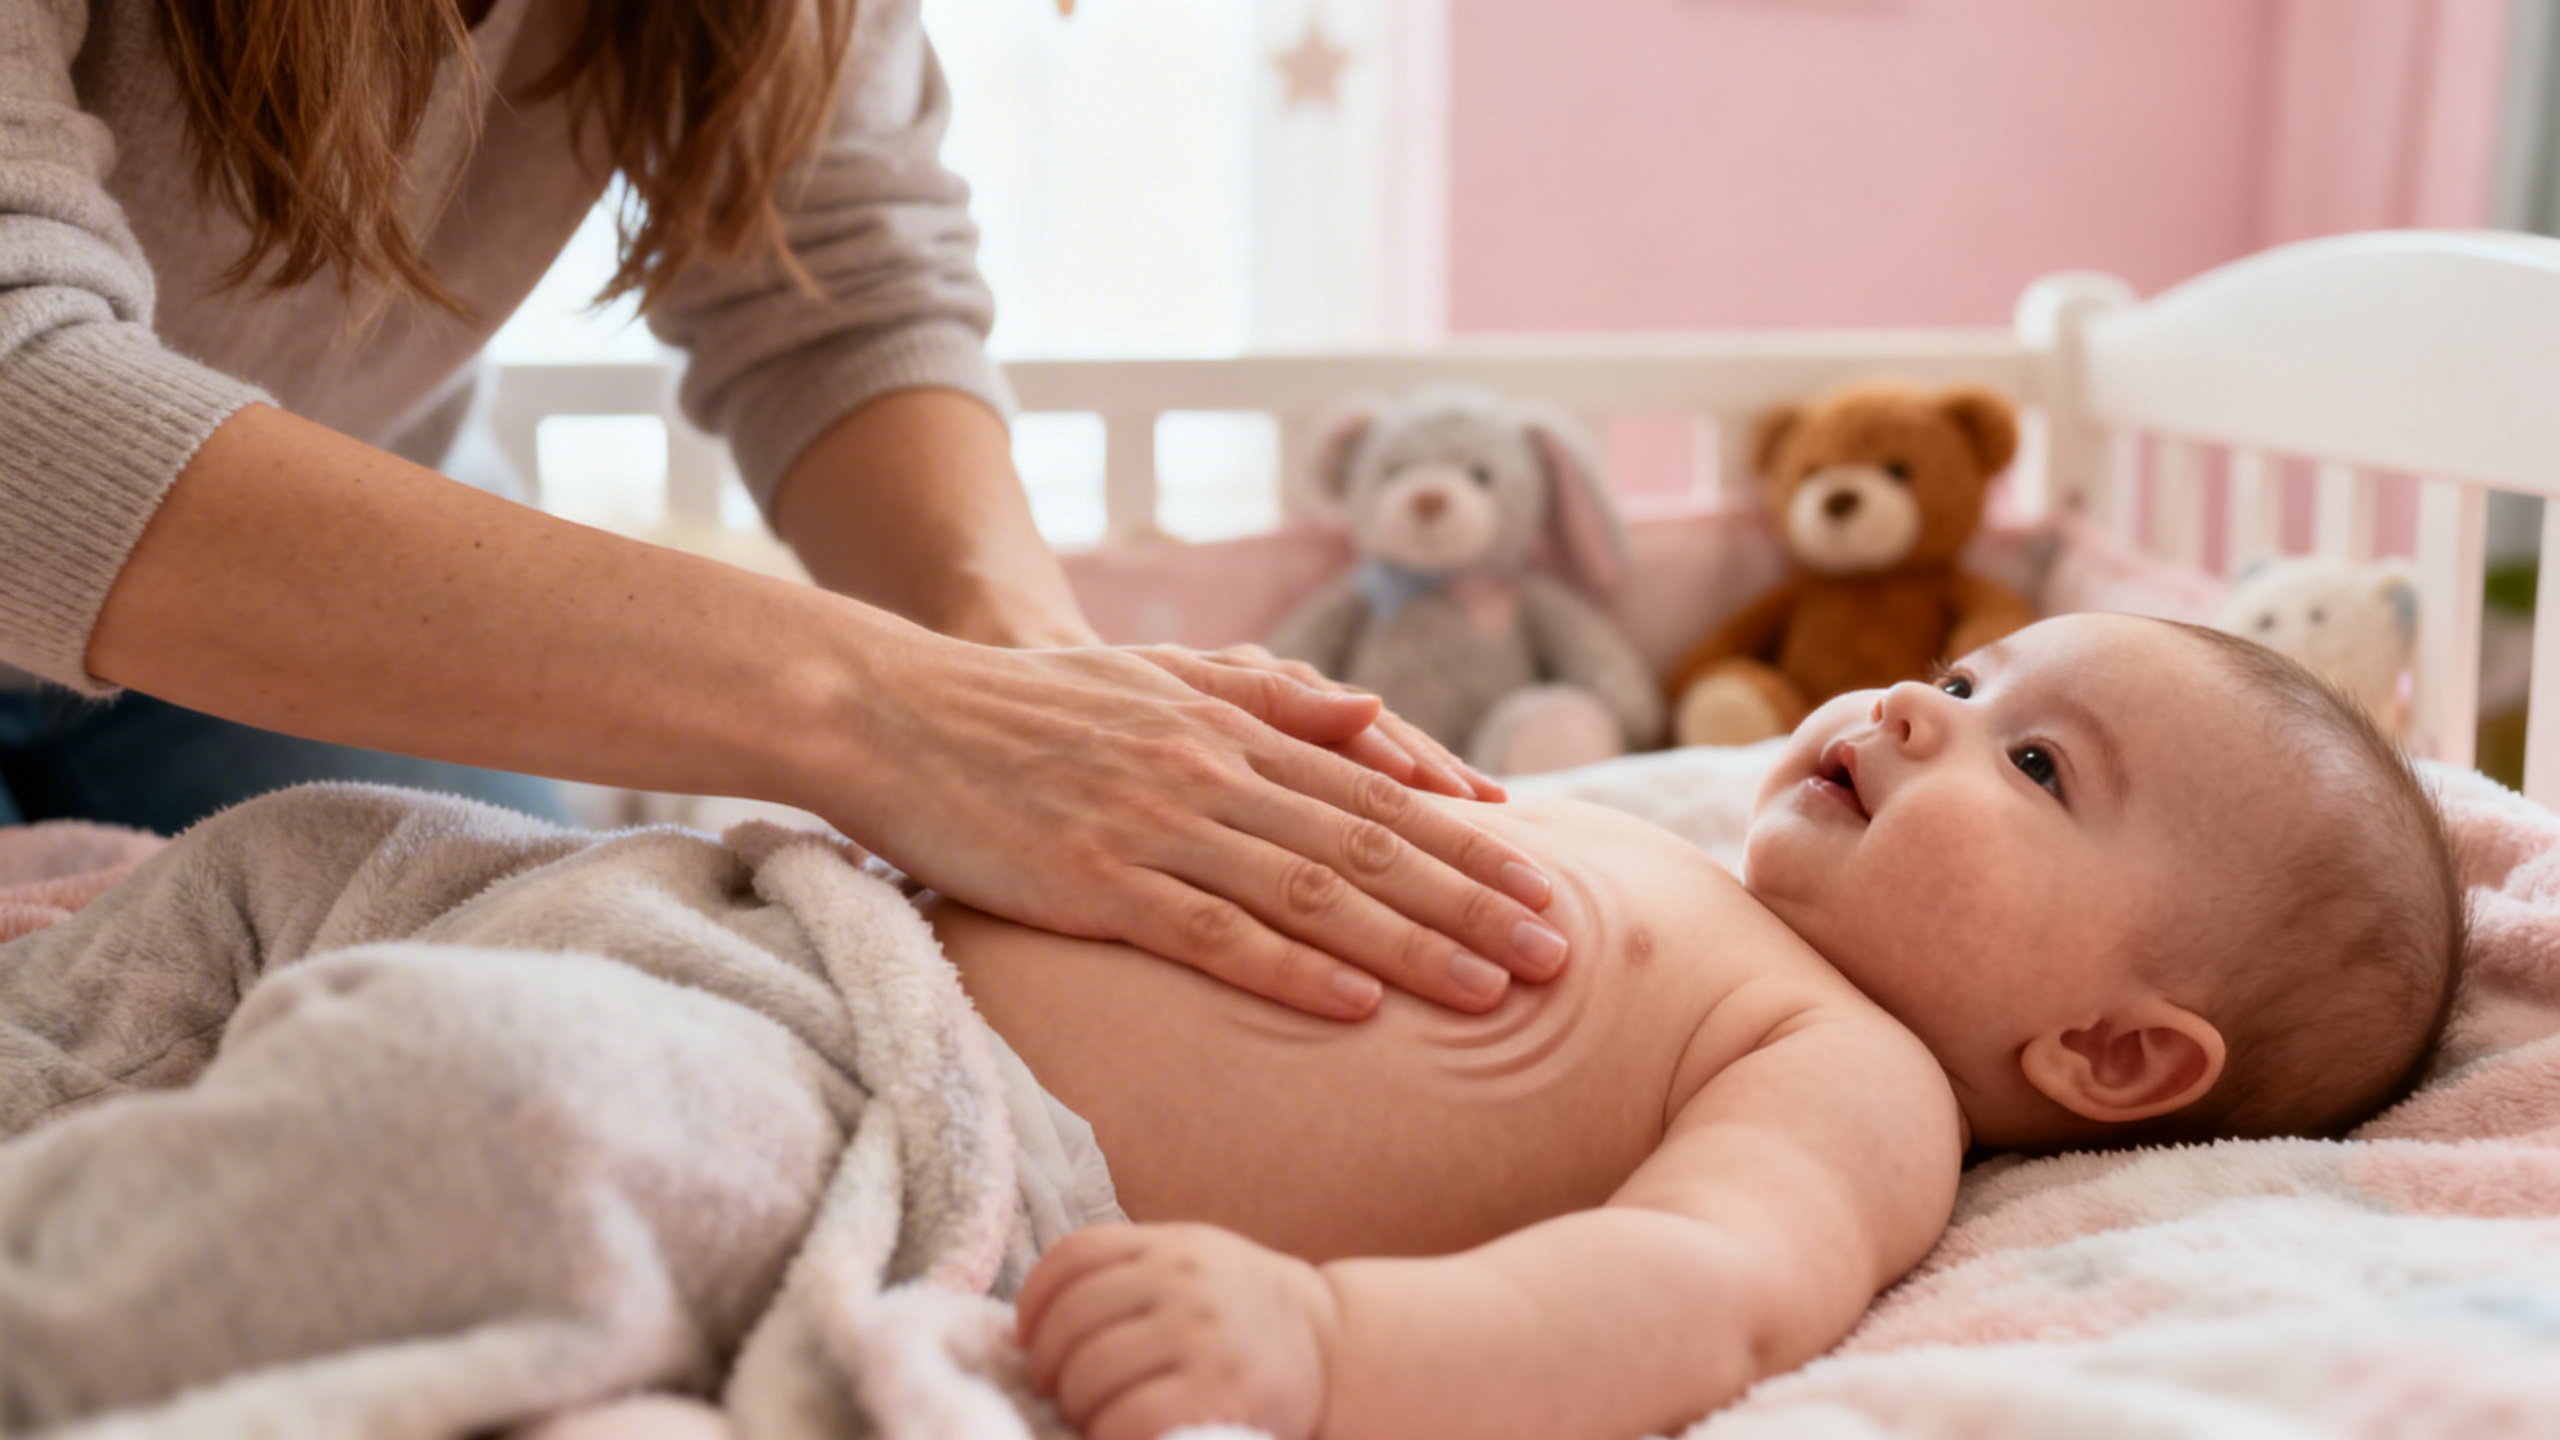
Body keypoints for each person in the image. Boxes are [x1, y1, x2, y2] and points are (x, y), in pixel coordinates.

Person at [0, 612, 2467, 1440]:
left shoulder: (1836, 1080)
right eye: (1965, 670)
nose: (1924, 710)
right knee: (286, 867)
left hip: (869, 1096)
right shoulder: (1656, 838)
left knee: (494, 1122)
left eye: (2033, 766)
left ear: (2117, 1061)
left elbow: (1694, 1295)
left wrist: (1326, 1343)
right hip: (749, 907)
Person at [0, 0, 1569, 1020]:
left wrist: (1032, 673)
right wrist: (889, 712)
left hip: (294, 566)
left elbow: (835, 282)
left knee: (527, 1009)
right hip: (167, 522)